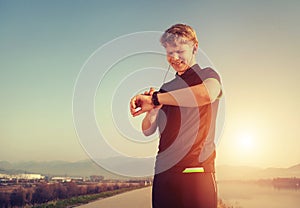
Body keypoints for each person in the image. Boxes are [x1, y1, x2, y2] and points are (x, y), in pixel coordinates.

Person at [130, 23, 222, 208]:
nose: (174, 57)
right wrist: (153, 111)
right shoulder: (167, 89)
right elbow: (148, 130)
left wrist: (156, 98)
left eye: (180, 51)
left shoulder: (207, 76)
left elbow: (207, 94)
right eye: (170, 52)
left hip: (196, 173)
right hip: (164, 174)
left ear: (195, 47)